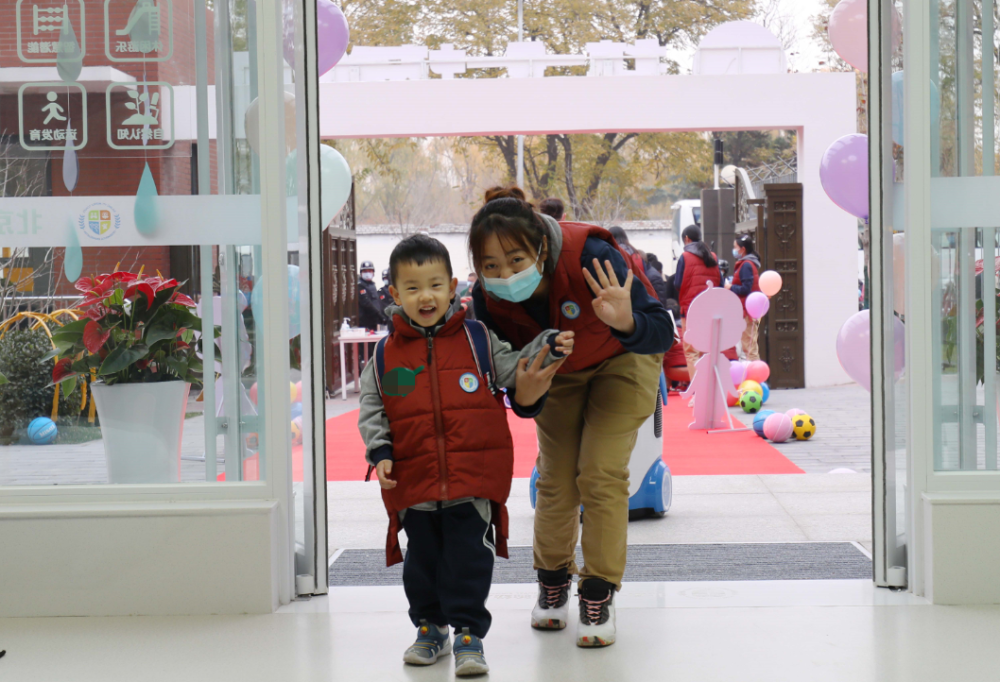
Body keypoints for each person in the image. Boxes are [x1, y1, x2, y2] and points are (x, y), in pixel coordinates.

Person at [358, 235, 574, 676]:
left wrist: (546, 346)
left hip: (472, 475)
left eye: (435, 284)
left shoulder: (477, 340)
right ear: (395, 294)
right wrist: (380, 449)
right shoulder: (386, 355)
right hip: (415, 480)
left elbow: (515, 367)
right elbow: (375, 406)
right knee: (422, 563)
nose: (426, 296)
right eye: (413, 287)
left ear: (453, 286)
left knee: (468, 560)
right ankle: (430, 626)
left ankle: (469, 633)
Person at [469, 187, 672, 647]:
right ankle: (552, 581)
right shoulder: (488, 300)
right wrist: (525, 396)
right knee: (557, 478)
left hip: (623, 358)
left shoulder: (594, 254)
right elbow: (512, 379)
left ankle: (598, 591)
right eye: (491, 266)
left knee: (599, 471)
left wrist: (626, 321)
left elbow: (661, 328)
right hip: (559, 371)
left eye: (516, 260)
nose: (505, 274)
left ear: (541, 245)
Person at [673, 225, 721, 381]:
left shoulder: (685, 257)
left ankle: (697, 392)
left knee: (691, 351)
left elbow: (678, 283)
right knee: (706, 350)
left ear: (687, 239)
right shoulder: (712, 256)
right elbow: (719, 282)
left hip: (691, 309)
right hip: (711, 310)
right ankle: (709, 389)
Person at [725, 234, 762, 361]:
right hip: (747, 310)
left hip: (747, 311)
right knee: (749, 347)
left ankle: (755, 378)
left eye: (735, 247)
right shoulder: (747, 263)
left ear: (743, 249)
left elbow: (746, 288)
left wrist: (730, 287)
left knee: (749, 348)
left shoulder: (746, 265)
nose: (734, 250)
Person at [358, 260, 387, 331]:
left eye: (370, 271)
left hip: (374, 321)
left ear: (373, 273)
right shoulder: (360, 285)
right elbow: (366, 303)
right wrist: (379, 315)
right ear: (361, 273)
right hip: (365, 322)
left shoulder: (372, 285)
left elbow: (377, 302)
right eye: (365, 271)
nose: (367, 273)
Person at [378, 269, 394, 333]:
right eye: (384, 278)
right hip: (387, 317)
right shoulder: (381, 291)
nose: (386, 280)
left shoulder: (396, 289)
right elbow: (383, 305)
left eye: (387, 278)